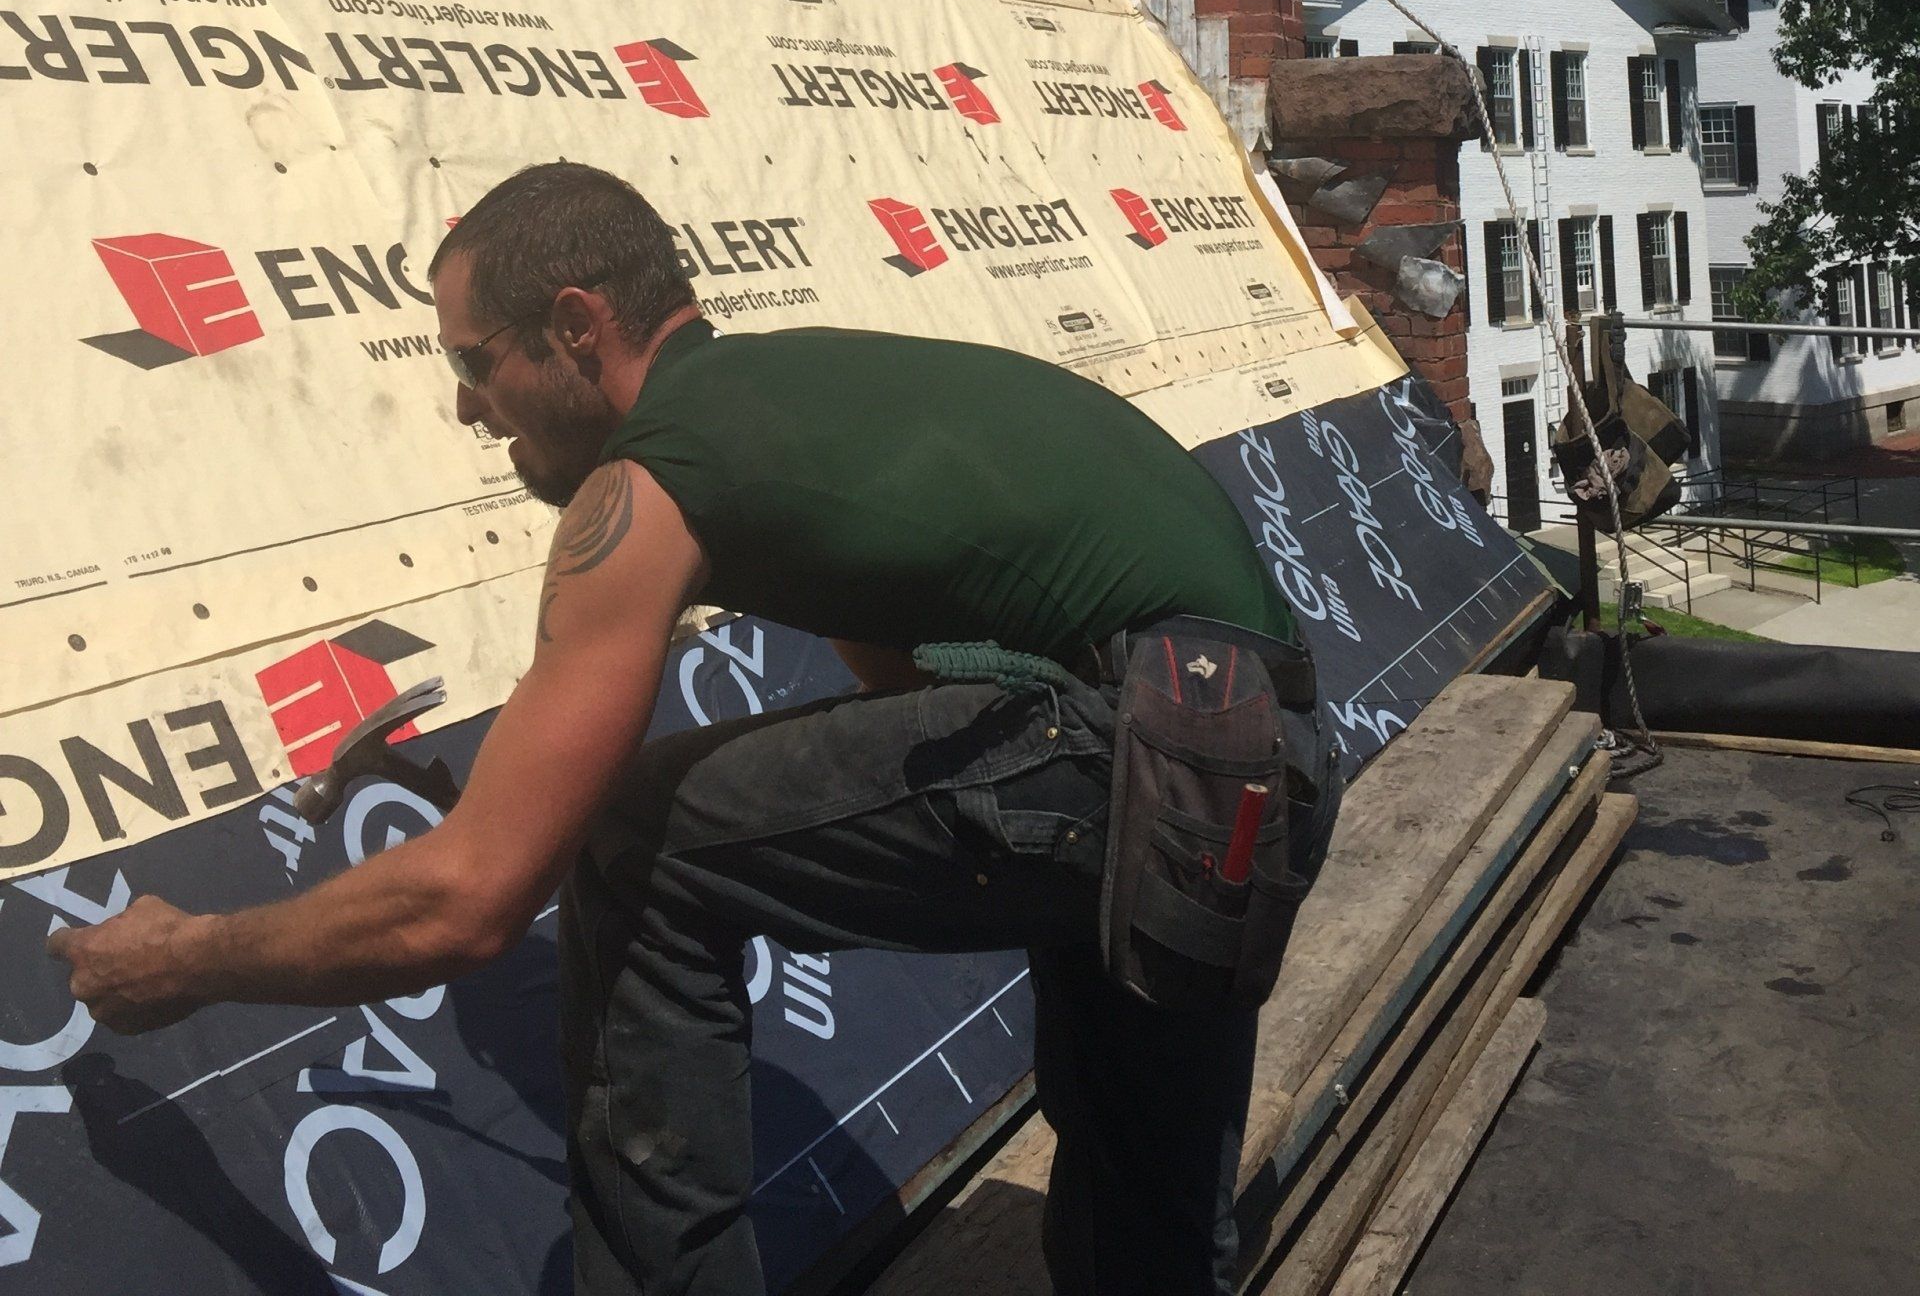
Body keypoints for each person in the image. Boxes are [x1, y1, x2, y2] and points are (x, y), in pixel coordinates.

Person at [52, 159, 1314, 1295]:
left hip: (1126, 747)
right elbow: (914, 732)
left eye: (471, 362)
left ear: (573, 328)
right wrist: (509, 806)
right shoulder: (793, 406)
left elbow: (467, 908)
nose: (467, 410)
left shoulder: (651, 474)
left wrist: (184, 960)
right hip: (1245, 764)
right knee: (1145, 1236)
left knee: (633, 833)